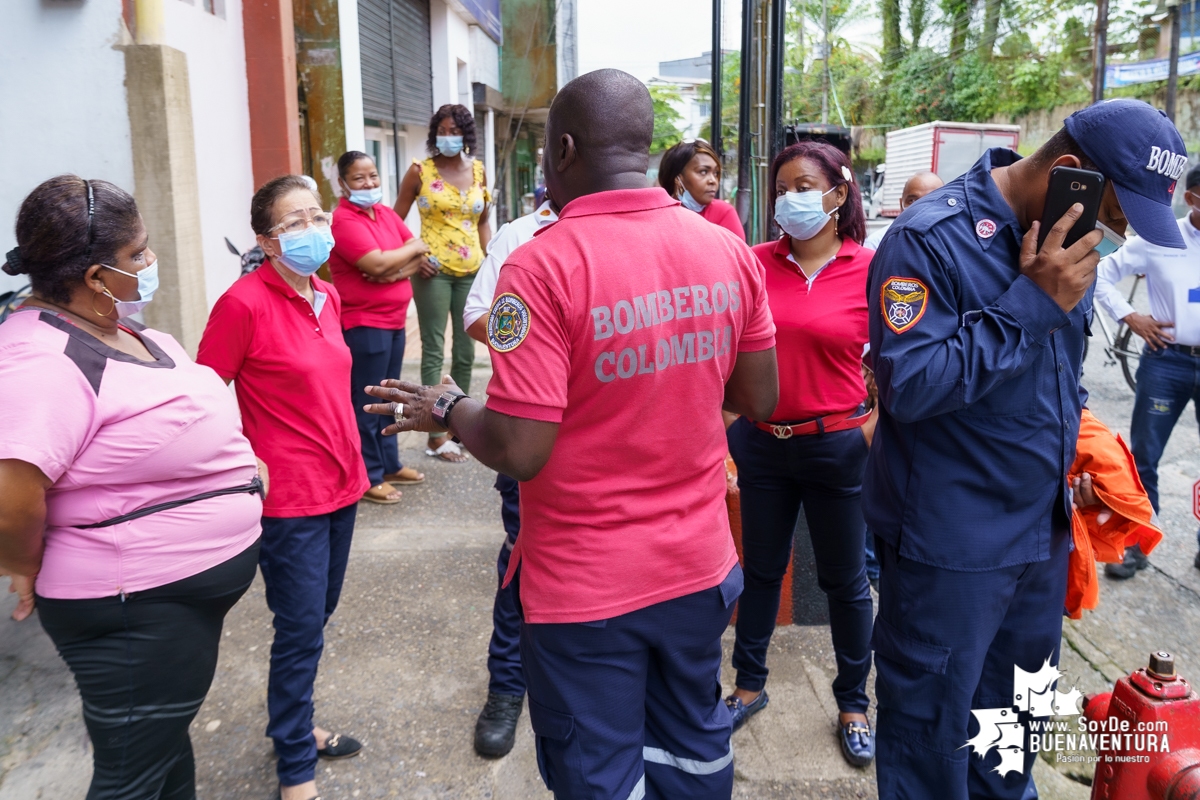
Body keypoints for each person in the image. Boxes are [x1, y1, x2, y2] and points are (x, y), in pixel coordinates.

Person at [364, 68, 778, 800]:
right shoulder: (726, 252)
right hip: (701, 568)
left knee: (599, 775)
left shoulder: (543, 266)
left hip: (588, 592)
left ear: (562, 148)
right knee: (693, 750)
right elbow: (758, 396)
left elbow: (522, 448)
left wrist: (449, 408)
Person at [865, 99, 1186, 798]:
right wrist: (1033, 299)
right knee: (931, 739)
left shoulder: (1069, 240)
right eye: (1119, 213)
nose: (1116, 234)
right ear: (1071, 173)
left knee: (1013, 731)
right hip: (951, 550)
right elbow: (912, 386)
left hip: (1039, 537)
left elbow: (1057, 378)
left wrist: (1077, 455)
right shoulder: (929, 238)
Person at [0, 176, 263, 800]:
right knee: (131, 780)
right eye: (138, 253)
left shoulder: (114, 327)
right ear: (95, 277)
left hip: (166, 602)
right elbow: (10, 503)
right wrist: (22, 566)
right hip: (131, 603)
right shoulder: (40, 361)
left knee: (163, 753)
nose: (150, 262)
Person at [197, 175, 370, 800]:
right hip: (290, 498)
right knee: (299, 628)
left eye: (317, 215)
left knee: (316, 619)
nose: (313, 229)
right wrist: (241, 454)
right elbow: (201, 395)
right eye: (295, 222)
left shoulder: (329, 293)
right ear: (268, 241)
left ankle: (292, 723)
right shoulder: (242, 304)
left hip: (344, 481)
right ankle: (295, 762)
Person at [723, 141, 876, 766]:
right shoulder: (754, 263)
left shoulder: (873, 267)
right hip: (762, 444)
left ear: (839, 194)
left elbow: (899, 364)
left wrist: (865, 432)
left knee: (846, 581)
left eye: (804, 185)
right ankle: (748, 686)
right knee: (759, 572)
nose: (790, 198)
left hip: (837, 448)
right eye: (782, 187)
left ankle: (853, 702)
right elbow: (727, 352)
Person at [461, 195, 559, 757]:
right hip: (528, 428)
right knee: (522, 558)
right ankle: (506, 686)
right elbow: (478, 313)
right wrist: (536, 344)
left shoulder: (638, 232)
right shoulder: (521, 235)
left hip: (612, 435)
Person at [1096, 162, 1200, 578]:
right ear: (1192, 199)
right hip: (1167, 361)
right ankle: (1137, 544)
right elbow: (1100, 275)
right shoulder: (1160, 237)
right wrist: (1129, 316)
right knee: (1144, 458)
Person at [395, 104, 493, 463]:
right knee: (434, 350)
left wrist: (493, 261)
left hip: (472, 272)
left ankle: (460, 425)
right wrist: (414, 255)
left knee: (467, 352)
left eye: (455, 131)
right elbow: (394, 220)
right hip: (432, 274)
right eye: (442, 129)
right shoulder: (420, 171)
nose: (448, 136)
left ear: (466, 135)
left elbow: (483, 222)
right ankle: (434, 433)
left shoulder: (479, 171)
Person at [331, 150, 429, 504]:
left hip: (394, 323)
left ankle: (390, 463)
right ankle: (369, 475)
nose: (369, 183)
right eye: (359, 178)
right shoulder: (343, 221)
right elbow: (374, 262)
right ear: (342, 184)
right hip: (364, 324)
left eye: (372, 175)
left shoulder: (385, 213)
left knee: (394, 397)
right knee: (368, 402)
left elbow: (417, 252)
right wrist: (387, 264)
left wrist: (390, 269)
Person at [657, 138, 745, 239]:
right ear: (678, 179)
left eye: (716, 173)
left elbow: (737, 253)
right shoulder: (659, 216)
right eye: (703, 172)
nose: (713, 181)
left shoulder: (723, 213)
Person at [862, 171, 944, 250]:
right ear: (901, 204)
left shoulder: (952, 241)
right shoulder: (877, 244)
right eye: (912, 201)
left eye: (931, 200)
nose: (920, 207)